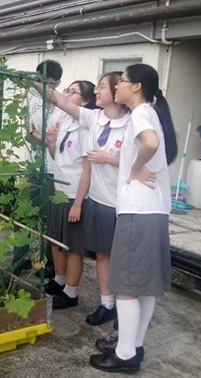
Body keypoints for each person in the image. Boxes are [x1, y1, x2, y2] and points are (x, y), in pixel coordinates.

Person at [89, 63, 178, 373]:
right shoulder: (148, 112)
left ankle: (125, 354)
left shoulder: (141, 113)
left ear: (137, 86)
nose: (117, 86)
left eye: (122, 81)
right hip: (151, 211)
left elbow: (151, 144)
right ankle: (133, 345)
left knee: (125, 283)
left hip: (138, 211)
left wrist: (136, 168)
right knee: (143, 285)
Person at [78, 72, 131, 327]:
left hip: (122, 204)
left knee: (123, 258)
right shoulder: (94, 118)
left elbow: (140, 166)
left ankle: (127, 309)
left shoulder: (133, 123)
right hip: (98, 200)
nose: (98, 91)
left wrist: (109, 160)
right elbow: (65, 104)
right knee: (101, 256)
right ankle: (107, 304)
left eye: (102, 87)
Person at [42, 81, 96, 309]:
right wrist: (51, 142)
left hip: (75, 193)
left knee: (73, 246)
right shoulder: (64, 121)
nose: (67, 95)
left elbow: (88, 168)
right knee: (57, 240)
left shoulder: (87, 127)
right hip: (59, 189)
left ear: (84, 101)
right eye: (67, 91)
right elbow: (57, 156)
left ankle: (71, 293)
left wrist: (78, 203)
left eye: (72, 92)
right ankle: (59, 280)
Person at [15, 60, 63, 275]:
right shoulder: (32, 104)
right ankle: (21, 258)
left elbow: (56, 140)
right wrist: (43, 137)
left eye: (46, 82)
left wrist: (40, 137)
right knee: (23, 211)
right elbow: (31, 134)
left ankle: (51, 265)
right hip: (34, 166)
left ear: (57, 83)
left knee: (51, 219)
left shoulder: (63, 108)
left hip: (55, 170)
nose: (39, 86)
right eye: (37, 81)